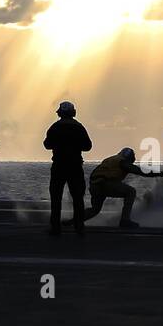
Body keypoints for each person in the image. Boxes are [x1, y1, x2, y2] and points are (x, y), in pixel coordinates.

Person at [43, 101, 92, 236]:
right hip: (75, 166)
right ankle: (79, 226)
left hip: (59, 166)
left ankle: (55, 227)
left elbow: (47, 145)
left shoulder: (55, 127)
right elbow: (88, 146)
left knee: (56, 197)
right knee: (77, 198)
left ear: (60, 113)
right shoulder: (79, 127)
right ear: (73, 113)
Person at [80, 146, 153, 228]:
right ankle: (125, 220)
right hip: (105, 184)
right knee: (131, 192)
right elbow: (139, 171)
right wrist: (161, 173)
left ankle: (74, 220)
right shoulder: (122, 161)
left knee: (95, 210)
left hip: (95, 185)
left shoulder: (111, 159)